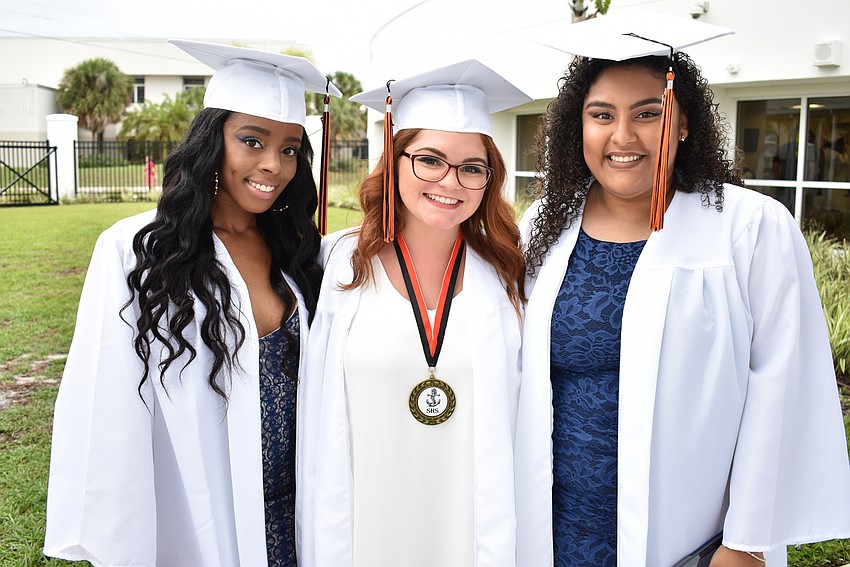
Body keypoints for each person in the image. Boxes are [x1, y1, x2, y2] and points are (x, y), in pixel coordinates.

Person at [516, 11, 850, 567]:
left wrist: (746, 542)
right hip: (556, 530)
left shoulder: (748, 227)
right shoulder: (545, 226)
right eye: (602, 114)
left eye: (648, 113)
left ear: (685, 123)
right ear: (580, 126)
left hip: (692, 539)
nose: (623, 136)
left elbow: (782, 383)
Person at [44, 40, 340, 566]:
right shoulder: (139, 252)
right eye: (252, 140)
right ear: (211, 141)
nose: (273, 165)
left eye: (290, 149)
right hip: (206, 508)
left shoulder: (298, 250)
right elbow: (107, 403)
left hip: (299, 505)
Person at [298, 60, 531, 567]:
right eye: (429, 160)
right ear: (395, 160)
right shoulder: (339, 264)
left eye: (472, 167)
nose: (451, 181)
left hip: (471, 532)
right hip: (368, 527)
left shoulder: (508, 274)